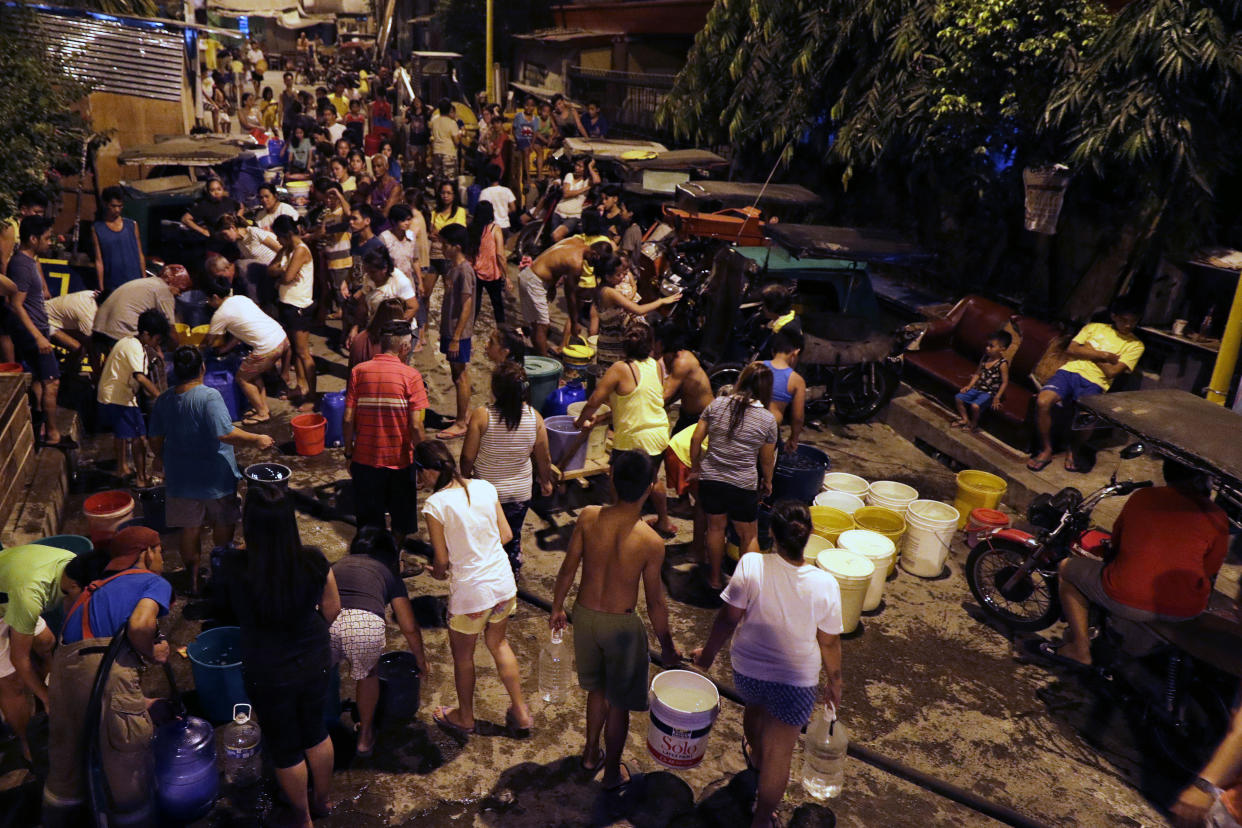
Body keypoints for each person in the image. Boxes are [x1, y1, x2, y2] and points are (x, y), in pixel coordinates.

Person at [692, 500, 844, 828]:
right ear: (809, 537)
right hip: (796, 683)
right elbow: (829, 642)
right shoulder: (826, 584)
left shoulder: (751, 566)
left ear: (772, 534)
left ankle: (756, 758)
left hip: (750, 673)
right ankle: (762, 818)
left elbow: (727, 620)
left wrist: (706, 657)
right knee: (782, 752)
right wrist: (835, 683)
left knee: (756, 708)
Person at [549, 450, 680, 788]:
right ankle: (610, 774)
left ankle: (591, 754)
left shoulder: (589, 516)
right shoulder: (651, 542)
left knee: (597, 690)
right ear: (650, 487)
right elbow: (655, 604)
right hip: (621, 628)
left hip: (586, 617)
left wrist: (557, 607)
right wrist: (667, 646)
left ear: (611, 478)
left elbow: (568, 568)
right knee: (618, 704)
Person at [42, 527, 173, 828]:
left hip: (62, 672)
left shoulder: (94, 587)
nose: (162, 558)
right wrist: (153, 653)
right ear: (147, 553)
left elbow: (88, 676)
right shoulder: (152, 581)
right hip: (101, 667)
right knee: (126, 766)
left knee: (66, 761)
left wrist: (142, 702)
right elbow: (140, 626)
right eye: (161, 550)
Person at [1047, 458, 1229, 668]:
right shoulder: (1218, 516)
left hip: (1132, 600)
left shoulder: (1144, 496)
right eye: (1209, 478)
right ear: (1198, 479)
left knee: (1065, 568)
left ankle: (1080, 649)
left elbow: (1117, 542)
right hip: (1188, 609)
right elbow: (1211, 569)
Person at [228, 487, 339, 828]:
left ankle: (302, 817)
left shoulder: (235, 566)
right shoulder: (314, 559)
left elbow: (230, 613)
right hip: (313, 657)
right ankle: (322, 800)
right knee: (315, 731)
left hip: (267, 667)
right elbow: (333, 609)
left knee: (285, 746)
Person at [418, 440, 534, 737]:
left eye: (419, 472)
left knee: (463, 657)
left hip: (471, 595)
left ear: (430, 472)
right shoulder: (483, 487)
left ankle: (465, 717)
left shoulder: (435, 505)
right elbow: (506, 534)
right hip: (503, 585)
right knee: (499, 644)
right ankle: (521, 713)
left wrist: (439, 572)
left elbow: (442, 561)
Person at [150, 347, 274, 595]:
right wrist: (256, 439)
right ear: (202, 368)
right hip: (215, 477)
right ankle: (222, 575)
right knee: (223, 522)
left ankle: (194, 581)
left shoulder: (163, 400)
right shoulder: (209, 396)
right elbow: (225, 433)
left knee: (190, 529)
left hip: (181, 478)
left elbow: (154, 439)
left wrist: (162, 458)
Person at [330, 527, 428, 758]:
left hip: (325, 622)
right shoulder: (387, 572)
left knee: (322, 675)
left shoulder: (336, 566)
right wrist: (422, 662)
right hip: (364, 625)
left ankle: (321, 733)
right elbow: (409, 626)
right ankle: (365, 737)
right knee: (368, 675)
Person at [575, 321, 677, 537]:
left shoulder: (620, 369)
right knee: (653, 480)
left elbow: (594, 399)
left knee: (616, 478)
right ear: (649, 345)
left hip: (634, 438)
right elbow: (636, 404)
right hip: (658, 433)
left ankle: (623, 523)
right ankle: (664, 523)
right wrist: (603, 418)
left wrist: (580, 421)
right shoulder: (656, 366)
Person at [689, 362, 779, 592]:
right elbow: (767, 459)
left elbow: (695, 439)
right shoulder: (767, 419)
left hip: (712, 479)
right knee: (748, 535)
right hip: (742, 485)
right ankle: (748, 587)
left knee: (716, 528)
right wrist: (767, 481)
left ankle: (715, 579)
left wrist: (696, 468)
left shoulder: (717, 404)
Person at [1030, 297, 1145, 472]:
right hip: (1069, 372)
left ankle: (1073, 449)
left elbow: (1112, 372)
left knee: (1087, 418)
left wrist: (1091, 352)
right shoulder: (1094, 328)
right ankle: (1046, 449)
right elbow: (1071, 349)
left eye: (1133, 321)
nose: (1129, 326)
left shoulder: (1136, 345)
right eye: (1124, 320)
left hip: (1096, 381)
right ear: (1114, 316)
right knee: (1043, 401)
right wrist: (1105, 357)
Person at [461, 361, 554, 575]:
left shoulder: (482, 416)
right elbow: (544, 457)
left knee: (485, 539)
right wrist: (546, 481)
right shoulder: (535, 418)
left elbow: (467, 457)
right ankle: (510, 576)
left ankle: (485, 578)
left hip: (487, 494)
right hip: (519, 495)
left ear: (496, 389)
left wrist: (465, 480)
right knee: (512, 536)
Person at [344, 320, 428, 544]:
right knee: (401, 518)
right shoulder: (411, 376)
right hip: (400, 461)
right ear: (404, 347)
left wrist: (348, 453)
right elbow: (417, 425)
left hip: (364, 458)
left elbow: (348, 418)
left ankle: (370, 560)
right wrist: (424, 462)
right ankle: (395, 560)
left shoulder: (358, 372)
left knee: (369, 519)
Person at [0, 542, 76, 761]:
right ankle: (27, 741)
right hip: (14, 599)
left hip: (11, 596)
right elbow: (19, 657)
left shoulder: (70, 562)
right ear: (72, 585)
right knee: (12, 681)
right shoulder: (30, 597)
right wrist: (46, 698)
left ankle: (46, 691)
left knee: (46, 641)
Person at [8, 216, 68, 446]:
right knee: (51, 383)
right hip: (35, 333)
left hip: (37, 328)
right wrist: (38, 336)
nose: (50, 242)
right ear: (32, 239)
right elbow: (16, 304)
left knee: (41, 381)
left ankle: (41, 428)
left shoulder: (30, 261)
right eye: (46, 238)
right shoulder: (22, 265)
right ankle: (53, 434)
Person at [97, 308, 169, 488]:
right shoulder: (135, 348)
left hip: (109, 394)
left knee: (121, 435)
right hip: (119, 398)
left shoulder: (127, 341)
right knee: (140, 438)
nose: (157, 344)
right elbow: (140, 377)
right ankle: (141, 479)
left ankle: (122, 468)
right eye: (157, 339)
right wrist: (161, 398)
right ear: (146, 334)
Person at [204, 277, 290, 425]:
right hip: (282, 338)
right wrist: (225, 349)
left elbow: (209, 341)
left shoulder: (220, 314)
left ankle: (262, 414)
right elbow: (240, 333)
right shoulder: (240, 299)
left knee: (242, 378)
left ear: (215, 297)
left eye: (209, 300)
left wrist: (196, 348)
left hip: (268, 347)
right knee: (253, 373)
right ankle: (261, 407)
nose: (208, 303)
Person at [518, 236, 610, 356]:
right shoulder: (576, 263)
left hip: (531, 276)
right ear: (594, 254)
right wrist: (574, 322)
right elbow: (570, 296)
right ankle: (544, 363)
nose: (591, 266)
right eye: (595, 263)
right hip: (534, 282)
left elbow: (555, 261)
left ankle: (539, 353)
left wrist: (551, 285)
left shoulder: (576, 241)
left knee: (538, 324)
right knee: (542, 326)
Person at [594, 255, 679, 367]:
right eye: (618, 275)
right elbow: (638, 310)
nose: (622, 277)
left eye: (622, 273)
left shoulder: (602, 289)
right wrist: (661, 301)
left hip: (610, 340)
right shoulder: (609, 292)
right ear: (607, 277)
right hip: (613, 345)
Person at [268, 215, 316, 408]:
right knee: (295, 350)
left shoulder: (300, 250)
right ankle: (300, 386)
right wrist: (281, 272)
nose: (277, 241)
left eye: (279, 237)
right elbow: (270, 269)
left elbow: (287, 277)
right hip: (286, 304)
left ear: (288, 234)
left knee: (304, 353)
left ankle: (312, 396)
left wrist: (282, 274)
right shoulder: (286, 249)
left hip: (299, 307)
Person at [435, 224, 476, 440]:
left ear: (456, 247)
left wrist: (457, 337)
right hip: (451, 330)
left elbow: (467, 306)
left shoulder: (464, 270)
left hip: (458, 333)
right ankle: (464, 414)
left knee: (459, 375)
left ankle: (461, 423)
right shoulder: (454, 267)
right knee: (458, 374)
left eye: (445, 244)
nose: (442, 247)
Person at [93, 263, 189, 354]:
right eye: (180, 290)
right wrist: (176, 353)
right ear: (173, 283)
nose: (179, 295)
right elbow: (172, 334)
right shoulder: (165, 291)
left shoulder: (149, 283)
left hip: (98, 325)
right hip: (119, 330)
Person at [654, 321, 713, 438]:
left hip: (702, 417)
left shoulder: (682, 362)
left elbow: (666, 395)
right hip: (687, 414)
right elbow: (678, 392)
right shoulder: (669, 358)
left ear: (661, 343)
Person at [953, 330, 1011, 433]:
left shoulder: (1002, 364)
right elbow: (977, 374)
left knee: (975, 406)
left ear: (1002, 349)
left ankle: (974, 423)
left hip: (989, 392)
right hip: (977, 388)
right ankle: (965, 418)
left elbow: (1004, 382)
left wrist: (997, 397)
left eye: (991, 346)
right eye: (987, 345)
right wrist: (969, 386)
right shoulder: (985, 358)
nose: (987, 348)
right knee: (958, 398)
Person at [91, 186, 145, 293]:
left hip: (134, 280)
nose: (117, 210)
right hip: (113, 284)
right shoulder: (97, 228)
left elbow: (140, 254)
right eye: (113, 206)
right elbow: (99, 260)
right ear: (106, 204)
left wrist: (144, 279)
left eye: (120, 206)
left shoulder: (132, 225)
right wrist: (101, 287)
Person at [763, 329, 807, 452]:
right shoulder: (796, 380)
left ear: (773, 350)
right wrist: (794, 438)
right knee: (767, 467)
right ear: (796, 353)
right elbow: (798, 417)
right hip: (769, 431)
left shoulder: (755, 366)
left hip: (745, 424)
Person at [469, 201, 508, 326]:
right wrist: (506, 276)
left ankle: (466, 331)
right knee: (498, 305)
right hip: (492, 272)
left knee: (474, 305)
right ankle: (502, 334)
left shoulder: (471, 228)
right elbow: (500, 254)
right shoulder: (495, 229)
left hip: (474, 271)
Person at [551, 156, 600, 243]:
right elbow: (566, 194)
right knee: (554, 239)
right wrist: (585, 189)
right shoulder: (569, 176)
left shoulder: (587, 181)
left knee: (557, 235)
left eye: (580, 166)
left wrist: (590, 166)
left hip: (573, 215)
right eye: (576, 165)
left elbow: (597, 181)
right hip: (558, 212)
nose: (576, 168)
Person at [429, 98, 462, 181]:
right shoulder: (452, 123)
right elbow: (456, 141)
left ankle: (437, 193)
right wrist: (460, 135)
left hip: (436, 151)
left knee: (438, 178)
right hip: (449, 153)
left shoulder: (434, 120)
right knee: (450, 179)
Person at [478, 163, 516, 234]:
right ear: (500, 176)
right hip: (505, 226)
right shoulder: (507, 190)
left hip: (491, 227)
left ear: (487, 178)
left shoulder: (484, 192)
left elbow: (481, 210)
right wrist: (504, 211)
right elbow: (513, 208)